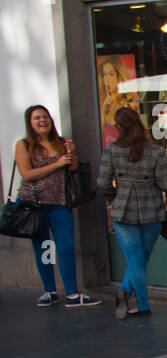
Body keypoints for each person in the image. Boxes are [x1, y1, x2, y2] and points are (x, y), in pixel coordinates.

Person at [13, 105, 102, 308]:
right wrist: (57, 163)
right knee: (44, 247)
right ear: (30, 122)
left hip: (60, 202)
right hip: (34, 204)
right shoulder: (24, 145)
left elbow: (72, 169)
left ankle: (71, 293)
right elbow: (26, 174)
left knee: (67, 246)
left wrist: (71, 153)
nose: (43, 121)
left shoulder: (60, 143)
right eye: (37, 118)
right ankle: (49, 291)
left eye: (45, 117)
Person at [97, 107, 167, 319]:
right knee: (140, 261)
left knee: (135, 261)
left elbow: (103, 182)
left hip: (123, 211)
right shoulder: (156, 151)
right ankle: (131, 296)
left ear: (119, 127)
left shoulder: (111, 151)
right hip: (152, 210)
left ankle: (138, 301)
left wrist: (114, 197)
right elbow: (164, 183)